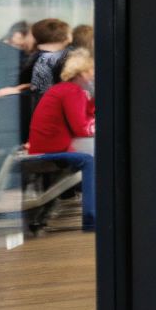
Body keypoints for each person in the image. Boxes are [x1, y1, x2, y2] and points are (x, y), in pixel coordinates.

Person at [27, 53, 98, 232]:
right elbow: (80, 127)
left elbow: (84, 117)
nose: (95, 74)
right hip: (51, 149)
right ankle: (91, 218)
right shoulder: (71, 91)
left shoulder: (67, 90)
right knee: (89, 160)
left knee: (91, 153)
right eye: (91, 70)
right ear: (81, 73)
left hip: (46, 146)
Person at [22, 18, 71, 140]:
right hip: (50, 119)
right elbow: (41, 92)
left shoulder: (37, 57)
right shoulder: (49, 59)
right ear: (65, 36)